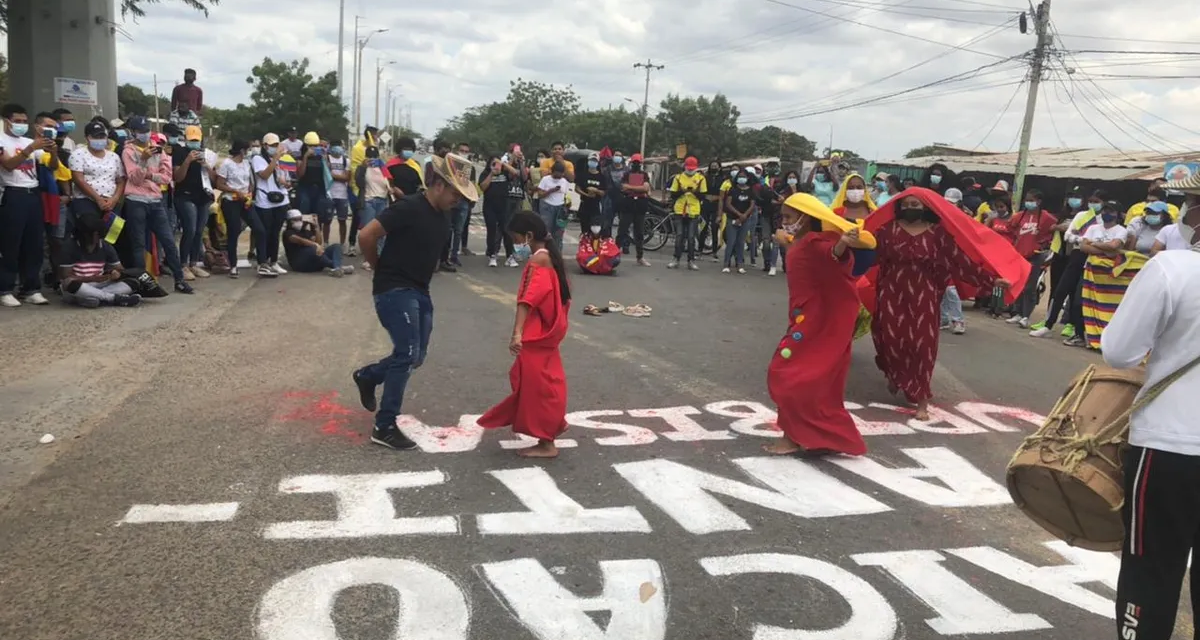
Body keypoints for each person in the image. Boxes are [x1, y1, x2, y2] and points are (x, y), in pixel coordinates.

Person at [1101, 241, 1200, 640]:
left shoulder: (1171, 268)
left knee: (1151, 572)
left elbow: (1120, 352)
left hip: (1170, 445)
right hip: (1172, 442)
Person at [351, 153, 479, 450]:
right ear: (438, 185)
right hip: (394, 289)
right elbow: (367, 235)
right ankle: (384, 425)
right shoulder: (408, 207)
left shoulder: (444, 214)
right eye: (455, 194)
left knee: (416, 356)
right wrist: (379, 267)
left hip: (420, 290)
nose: (458, 201)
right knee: (406, 352)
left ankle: (368, 376)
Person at [866, 189, 1023, 421]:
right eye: (907, 204)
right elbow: (869, 258)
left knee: (922, 346)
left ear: (927, 208)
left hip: (924, 296)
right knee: (891, 340)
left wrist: (991, 279)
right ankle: (895, 374)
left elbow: (961, 263)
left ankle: (922, 400)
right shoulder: (887, 231)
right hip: (891, 293)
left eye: (917, 204)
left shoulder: (938, 234)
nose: (912, 208)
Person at [764, 193, 877, 456]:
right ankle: (806, 435)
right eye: (783, 217)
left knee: (786, 374)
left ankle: (794, 437)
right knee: (812, 379)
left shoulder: (819, 241)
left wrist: (841, 246)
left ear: (806, 218)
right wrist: (788, 240)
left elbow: (832, 254)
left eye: (789, 217)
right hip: (806, 316)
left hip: (819, 320)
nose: (785, 222)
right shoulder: (802, 239)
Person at [478, 213, 572, 458]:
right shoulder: (551, 257)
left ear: (529, 236)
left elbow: (527, 300)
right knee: (545, 381)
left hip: (537, 333)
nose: (514, 243)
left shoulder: (538, 261)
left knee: (537, 386)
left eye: (516, 238)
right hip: (548, 333)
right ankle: (548, 432)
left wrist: (517, 333)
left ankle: (547, 441)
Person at [0, 102, 59, 307]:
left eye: (25, 121)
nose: (22, 125)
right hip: (12, 192)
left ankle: (31, 288)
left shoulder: (30, 140)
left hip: (33, 193)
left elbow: (52, 166)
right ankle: (5, 288)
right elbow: (8, 165)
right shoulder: (2, 140)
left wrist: (54, 152)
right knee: (11, 244)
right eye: (17, 121)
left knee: (33, 243)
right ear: (6, 121)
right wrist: (29, 149)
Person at [1030, 189, 1102, 342]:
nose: (1093, 204)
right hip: (1074, 256)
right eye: (1092, 201)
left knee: (1078, 298)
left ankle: (1076, 330)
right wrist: (1085, 241)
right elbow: (1069, 235)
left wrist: (1085, 241)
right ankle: (1048, 325)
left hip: (1092, 260)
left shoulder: (1103, 221)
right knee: (1060, 291)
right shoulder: (1082, 216)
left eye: (1097, 202)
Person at [1078, 200, 1138, 350]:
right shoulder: (1093, 228)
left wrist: (1094, 244)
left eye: (1111, 211)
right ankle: (1081, 335)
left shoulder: (1120, 230)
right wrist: (1106, 249)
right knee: (1082, 303)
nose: (1107, 214)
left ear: (1117, 214)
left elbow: (1115, 246)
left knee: (1106, 308)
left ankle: (1103, 340)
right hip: (1090, 271)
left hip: (1109, 276)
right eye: (1105, 210)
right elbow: (1083, 247)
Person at [58, 210, 142, 308]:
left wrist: (115, 273)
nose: (98, 237)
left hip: (101, 284)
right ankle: (114, 298)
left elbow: (120, 269)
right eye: (95, 234)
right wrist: (91, 279)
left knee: (133, 282)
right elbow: (66, 276)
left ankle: (96, 298)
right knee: (70, 284)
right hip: (81, 286)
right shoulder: (69, 246)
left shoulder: (105, 246)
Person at [1003, 189, 1057, 328]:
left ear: (1039, 202)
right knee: (1018, 284)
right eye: (1027, 200)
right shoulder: (1020, 216)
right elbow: (1010, 228)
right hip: (1020, 254)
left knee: (1030, 287)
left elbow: (1054, 228)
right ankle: (1017, 312)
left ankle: (1026, 315)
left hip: (1036, 255)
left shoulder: (1045, 217)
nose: (1029, 202)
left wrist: (1044, 243)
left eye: (1031, 200)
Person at [171, 125, 212, 280]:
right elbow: (177, 177)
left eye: (197, 140)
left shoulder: (207, 154)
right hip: (185, 196)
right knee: (190, 229)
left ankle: (194, 263)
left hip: (203, 196)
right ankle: (183, 265)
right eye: (191, 140)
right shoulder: (180, 152)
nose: (195, 143)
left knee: (199, 231)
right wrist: (187, 161)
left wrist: (206, 165)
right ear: (186, 139)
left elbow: (214, 178)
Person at [250, 133, 290, 278]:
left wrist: (286, 182)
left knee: (275, 232)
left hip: (281, 198)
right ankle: (263, 261)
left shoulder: (281, 159)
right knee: (264, 232)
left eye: (276, 145)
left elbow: (285, 176)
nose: (275, 148)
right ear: (265, 145)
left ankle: (274, 261)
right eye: (272, 145)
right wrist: (275, 159)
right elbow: (265, 175)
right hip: (265, 201)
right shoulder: (258, 159)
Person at [213, 139, 254, 278]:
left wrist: (249, 193)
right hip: (231, 200)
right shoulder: (227, 164)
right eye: (247, 150)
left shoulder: (247, 163)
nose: (249, 152)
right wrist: (235, 191)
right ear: (242, 151)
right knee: (234, 231)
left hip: (245, 200)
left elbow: (249, 181)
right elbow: (220, 184)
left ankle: (262, 262)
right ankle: (233, 265)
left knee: (259, 227)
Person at [282, 210, 353, 277]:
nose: (299, 222)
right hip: (300, 264)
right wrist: (315, 245)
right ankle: (337, 266)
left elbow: (319, 242)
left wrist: (316, 225)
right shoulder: (288, 233)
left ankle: (337, 268)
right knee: (313, 249)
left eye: (300, 219)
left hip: (315, 261)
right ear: (289, 221)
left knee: (336, 246)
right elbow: (300, 240)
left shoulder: (306, 232)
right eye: (295, 220)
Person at [479, 154, 519, 267]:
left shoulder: (504, 173)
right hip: (489, 206)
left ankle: (509, 256)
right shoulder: (485, 173)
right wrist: (492, 173)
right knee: (491, 231)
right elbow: (483, 187)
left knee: (507, 230)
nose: (495, 166)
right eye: (493, 163)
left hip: (504, 205)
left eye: (497, 163)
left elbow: (515, 173)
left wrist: (503, 164)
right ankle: (492, 255)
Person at [668, 156, 706, 270]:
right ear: (685, 167)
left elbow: (703, 196)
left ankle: (691, 260)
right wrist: (682, 191)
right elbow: (673, 194)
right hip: (680, 210)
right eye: (688, 168)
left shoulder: (701, 179)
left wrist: (694, 192)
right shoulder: (678, 178)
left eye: (692, 168)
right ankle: (676, 259)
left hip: (693, 210)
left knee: (691, 237)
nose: (690, 170)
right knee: (679, 235)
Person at [722, 168, 758, 274]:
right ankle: (726, 263)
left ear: (747, 178)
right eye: (740, 176)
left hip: (745, 219)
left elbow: (752, 205)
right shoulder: (733, 190)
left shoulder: (751, 191)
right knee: (731, 241)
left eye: (744, 177)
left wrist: (744, 215)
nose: (741, 178)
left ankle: (740, 264)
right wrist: (738, 215)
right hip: (732, 218)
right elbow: (728, 204)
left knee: (741, 242)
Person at [295, 131, 330, 227]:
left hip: (319, 189)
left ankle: (317, 237)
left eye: (315, 146)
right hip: (305, 188)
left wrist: (324, 158)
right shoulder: (300, 158)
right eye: (311, 146)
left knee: (318, 218)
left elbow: (327, 174)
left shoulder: (321, 157)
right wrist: (306, 157)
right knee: (304, 216)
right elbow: (300, 174)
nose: (313, 148)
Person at [535, 161, 571, 248]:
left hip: (560, 206)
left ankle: (557, 252)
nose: (559, 176)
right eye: (557, 174)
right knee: (546, 230)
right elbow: (539, 194)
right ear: (552, 171)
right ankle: (545, 250)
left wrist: (568, 206)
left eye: (561, 174)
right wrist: (551, 190)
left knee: (559, 231)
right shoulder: (545, 179)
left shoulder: (564, 181)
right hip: (547, 205)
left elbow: (567, 194)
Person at [326, 139, 351, 249]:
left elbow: (347, 177)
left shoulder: (346, 161)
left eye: (339, 146)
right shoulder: (326, 159)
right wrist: (340, 177)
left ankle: (342, 244)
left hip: (342, 194)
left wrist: (332, 175)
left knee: (342, 220)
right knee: (327, 220)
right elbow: (326, 175)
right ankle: (326, 243)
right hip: (329, 194)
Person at [576, 151, 608, 235]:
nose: (593, 162)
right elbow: (577, 188)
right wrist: (586, 194)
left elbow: (603, 193)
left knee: (595, 230)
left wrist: (595, 190)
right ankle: (585, 246)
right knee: (585, 231)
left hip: (596, 206)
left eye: (595, 161)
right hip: (584, 205)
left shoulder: (601, 177)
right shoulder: (583, 174)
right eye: (591, 160)